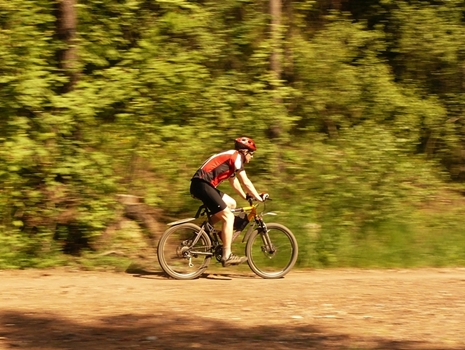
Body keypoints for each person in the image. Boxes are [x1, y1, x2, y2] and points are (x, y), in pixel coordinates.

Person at [190, 137, 267, 267]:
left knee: (231, 204)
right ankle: (227, 255)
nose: (252, 157)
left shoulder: (232, 159)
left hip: (202, 185)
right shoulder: (236, 157)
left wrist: (246, 196)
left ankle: (207, 229)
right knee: (228, 216)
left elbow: (234, 181)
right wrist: (258, 197)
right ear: (244, 151)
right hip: (202, 185)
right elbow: (245, 181)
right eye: (251, 153)